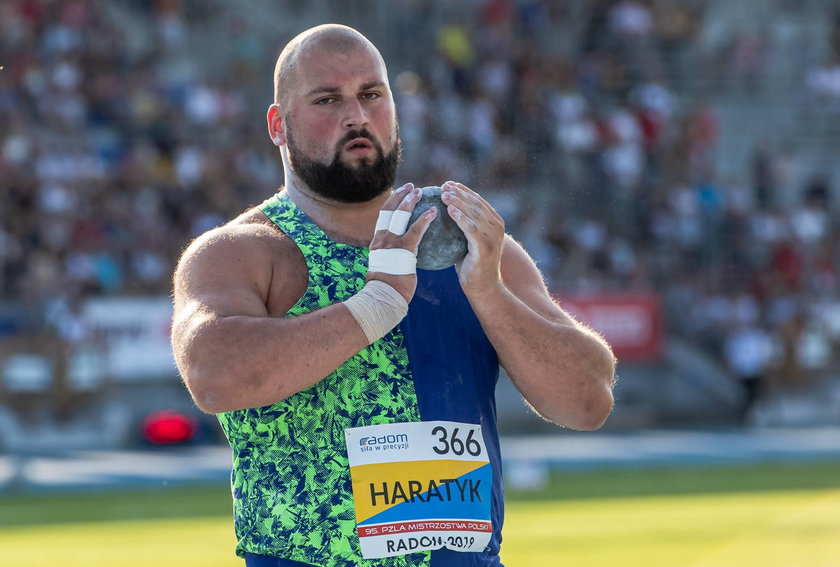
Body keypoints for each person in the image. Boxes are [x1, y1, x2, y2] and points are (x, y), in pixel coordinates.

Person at [170, 23, 616, 567]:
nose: (356, 116)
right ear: (278, 125)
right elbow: (214, 377)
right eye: (327, 99)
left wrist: (489, 293)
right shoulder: (244, 251)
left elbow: (588, 401)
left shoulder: (464, 244)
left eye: (371, 94)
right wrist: (375, 303)